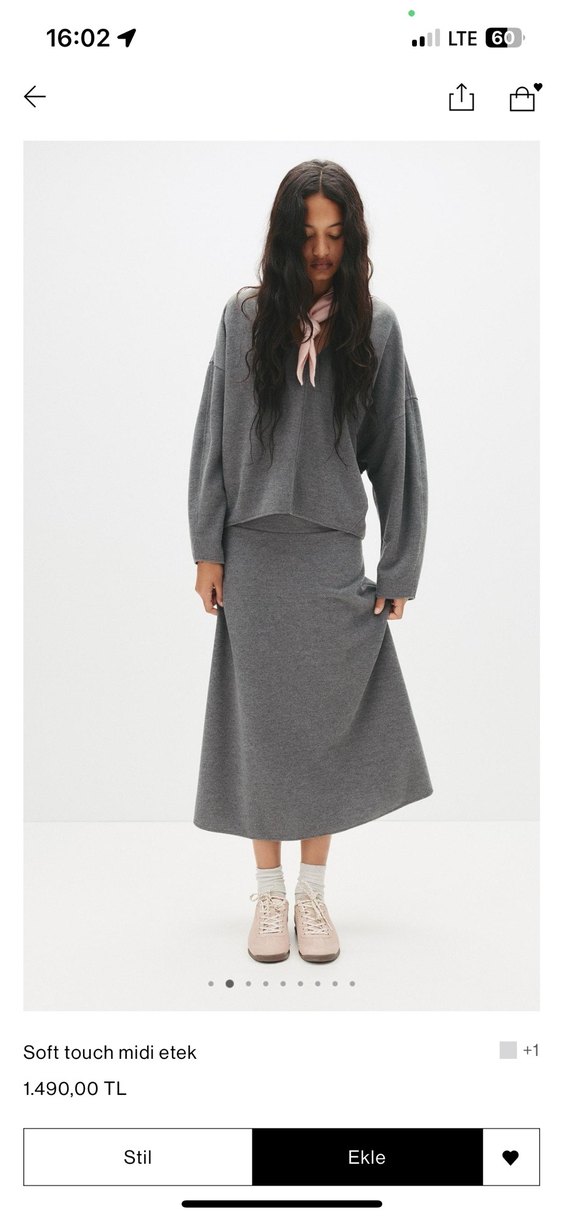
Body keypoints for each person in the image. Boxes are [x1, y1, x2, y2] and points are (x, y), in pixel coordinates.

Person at [188, 159, 433, 966]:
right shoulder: (243, 318)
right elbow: (212, 436)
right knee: (261, 727)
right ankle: (267, 893)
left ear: (351, 238)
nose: (322, 250)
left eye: (334, 235)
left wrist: (399, 565)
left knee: (325, 726)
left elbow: (397, 450)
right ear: (285, 238)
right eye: (307, 235)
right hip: (254, 554)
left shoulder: (376, 327)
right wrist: (207, 546)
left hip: (331, 552)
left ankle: (312, 895)